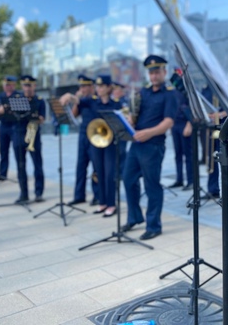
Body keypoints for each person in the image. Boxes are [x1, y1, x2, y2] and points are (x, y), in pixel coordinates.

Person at [121, 54, 178, 240]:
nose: (153, 76)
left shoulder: (170, 93)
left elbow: (168, 122)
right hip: (137, 143)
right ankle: (135, 217)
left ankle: (154, 225)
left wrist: (149, 132)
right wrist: (130, 119)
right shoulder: (143, 92)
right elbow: (136, 114)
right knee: (128, 179)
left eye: (157, 72)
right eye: (151, 73)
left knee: (151, 185)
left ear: (164, 72)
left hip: (153, 145)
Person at [0, 75, 46, 204]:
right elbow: (4, 111)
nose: (27, 88)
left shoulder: (39, 100)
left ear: (34, 86)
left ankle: (38, 193)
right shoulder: (16, 99)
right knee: (21, 166)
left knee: (37, 165)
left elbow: (42, 119)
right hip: (19, 134)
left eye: (29, 85)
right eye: (25, 86)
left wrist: (35, 117)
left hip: (33, 135)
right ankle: (23, 194)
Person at [60, 75, 99, 206]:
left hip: (95, 135)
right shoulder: (81, 100)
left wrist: (73, 98)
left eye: (84, 86)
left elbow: (83, 103)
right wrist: (76, 100)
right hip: (83, 134)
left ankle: (98, 195)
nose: (82, 89)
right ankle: (79, 195)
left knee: (96, 168)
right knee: (81, 166)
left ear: (91, 87)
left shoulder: (95, 99)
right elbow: (73, 115)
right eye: (80, 86)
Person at [90, 75, 121, 217]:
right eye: (97, 86)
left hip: (111, 142)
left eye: (102, 86)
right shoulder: (94, 103)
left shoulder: (116, 104)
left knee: (109, 174)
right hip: (97, 140)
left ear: (109, 87)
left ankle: (111, 204)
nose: (98, 89)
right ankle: (102, 202)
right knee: (99, 172)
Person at [169, 69, 193, 191]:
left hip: (185, 124)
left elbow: (193, 109)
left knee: (188, 155)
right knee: (178, 154)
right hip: (175, 124)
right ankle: (179, 179)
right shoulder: (173, 92)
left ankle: (191, 181)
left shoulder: (188, 91)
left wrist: (189, 124)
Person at [200, 84, 225, 201]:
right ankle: (213, 189)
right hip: (209, 128)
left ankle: (225, 190)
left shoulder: (223, 87)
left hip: (222, 127)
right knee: (211, 160)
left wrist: (219, 115)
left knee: (223, 160)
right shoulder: (205, 89)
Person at [0, 75, 21, 181]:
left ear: (13, 85)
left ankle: (21, 173)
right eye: (5, 85)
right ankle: (3, 173)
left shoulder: (18, 95)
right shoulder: (1, 96)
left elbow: (20, 108)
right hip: (3, 125)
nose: (6, 87)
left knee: (17, 151)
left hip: (15, 126)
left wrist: (5, 107)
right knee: (3, 151)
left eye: (8, 85)